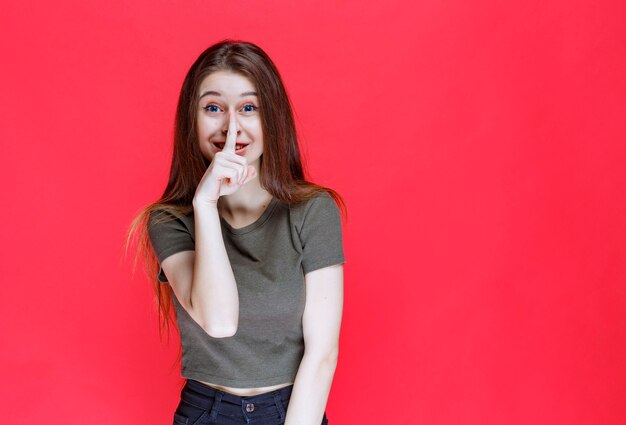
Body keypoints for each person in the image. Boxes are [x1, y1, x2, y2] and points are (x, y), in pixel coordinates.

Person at [129, 40, 346, 425]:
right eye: (213, 108)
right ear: (190, 121)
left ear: (272, 119)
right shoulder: (169, 221)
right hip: (205, 411)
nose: (231, 126)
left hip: (293, 409)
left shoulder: (313, 211)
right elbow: (220, 321)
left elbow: (322, 353)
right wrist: (206, 205)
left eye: (249, 108)